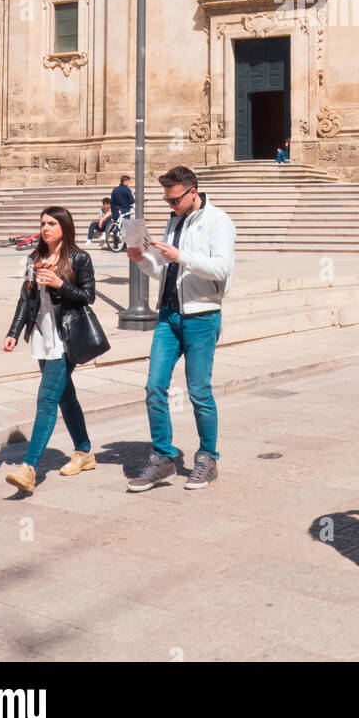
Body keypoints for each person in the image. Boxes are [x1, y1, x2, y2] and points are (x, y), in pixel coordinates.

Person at [125, 165, 236, 492]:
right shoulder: (173, 221)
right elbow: (162, 270)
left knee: (199, 392)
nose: (169, 206)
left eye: (174, 200)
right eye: (167, 201)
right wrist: (142, 259)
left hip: (202, 317)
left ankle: (207, 457)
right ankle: (162, 456)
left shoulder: (219, 222)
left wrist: (182, 256)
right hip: (169, 315)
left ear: (192, 192)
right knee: (154, 387)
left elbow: (222, 268)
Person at [1, 206, 97, 494]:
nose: (45, 228)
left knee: (46, 400)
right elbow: (25, 300)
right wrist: (13, 333)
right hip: (42, 337)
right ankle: (84, 452)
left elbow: (87, 296)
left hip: (65, 338)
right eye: (42, 223)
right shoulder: (35, 258)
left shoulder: (79, 258)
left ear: (64, 227)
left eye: (52, 223)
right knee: (65, 397)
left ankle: (29, 467)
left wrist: (60, 284)